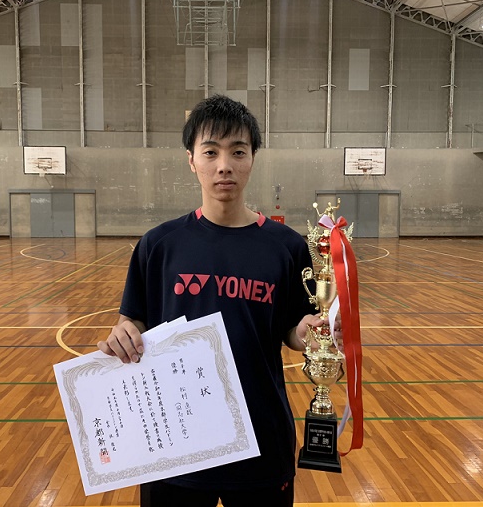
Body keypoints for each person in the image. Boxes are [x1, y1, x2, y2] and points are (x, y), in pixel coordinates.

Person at [97, 94, 332, 507]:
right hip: (175, 448)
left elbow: (293, 333)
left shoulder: (288, 247)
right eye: (210, 152)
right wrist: (123, 335)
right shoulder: (159, 245)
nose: (224, 165)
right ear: (191, 160)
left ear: (252, 158)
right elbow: (132, 322)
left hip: (261, 440)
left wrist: (310, 333)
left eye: (238, 151)